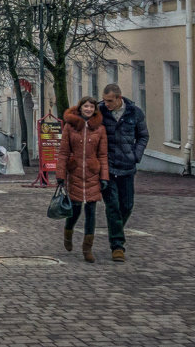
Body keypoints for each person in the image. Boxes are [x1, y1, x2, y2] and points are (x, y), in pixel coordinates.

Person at [99, 82, 149, 263]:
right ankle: (117, 246)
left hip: (127, 167)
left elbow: (143, 135)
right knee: (112, 205)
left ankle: (115, 231)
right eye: (104, 100)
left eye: (110, 101)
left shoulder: (134, 113)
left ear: (119, 98)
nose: (106, 104)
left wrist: (136, 155)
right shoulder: (100, 112)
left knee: (126, 206)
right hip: (107, 167)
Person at [56, 96, 109, 263]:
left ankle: (87, 248)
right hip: (76, 172)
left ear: (95, 110)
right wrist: (60, 175)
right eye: (86, 106)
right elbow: (63, 153)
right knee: (76, 209)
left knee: (91, 212)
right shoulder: (70, 127)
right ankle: (68, 231)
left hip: (93, 173)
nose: (88, 109)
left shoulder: (99, 129)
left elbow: (102, 155)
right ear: (80, 108)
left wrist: (104, 176)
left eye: (91, 107)